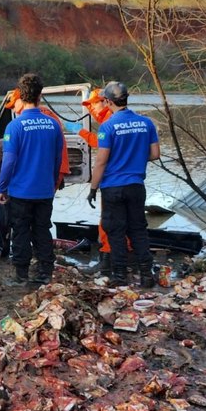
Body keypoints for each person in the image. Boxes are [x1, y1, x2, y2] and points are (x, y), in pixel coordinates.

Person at [87, 81, 160, 288]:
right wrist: (134, 159)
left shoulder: (108, 126)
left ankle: (120, 276)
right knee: (138, 230)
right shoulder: (146, 123)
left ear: (108, 101)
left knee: (116, 231)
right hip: (137, 185)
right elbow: (155, 154)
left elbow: (101, 161)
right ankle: (146, 275)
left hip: (113, 187)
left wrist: (93, 189)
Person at [0, 73, 65, 287]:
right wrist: (51, 183)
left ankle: (21, 275)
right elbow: (56, 159)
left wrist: (1, 189)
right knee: (42, 230)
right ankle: (45, 273)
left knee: (21, 231)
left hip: (21, 191)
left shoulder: (14, 127)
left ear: (20, 96)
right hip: (44, 190)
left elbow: (8, 162)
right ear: (40, 96)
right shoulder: (53, 125)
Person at [78, 88, 116, 276]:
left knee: (107, 222)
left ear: (105, 102)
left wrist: (82, 133)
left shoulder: (109, 122)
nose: (91, 109)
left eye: (93, 104)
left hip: (112, 181)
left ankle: (107, 262)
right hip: (130, 182)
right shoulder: (115, 119)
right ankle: (128, 260)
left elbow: (102, 150)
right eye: (89, 105)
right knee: (128, 222)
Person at [4, 88, 70, 188]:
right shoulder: (43, 115)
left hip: (50, 170)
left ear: (22, 100)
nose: (13, 109)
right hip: (52, 169)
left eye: (13, 105)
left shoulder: (43, 114)